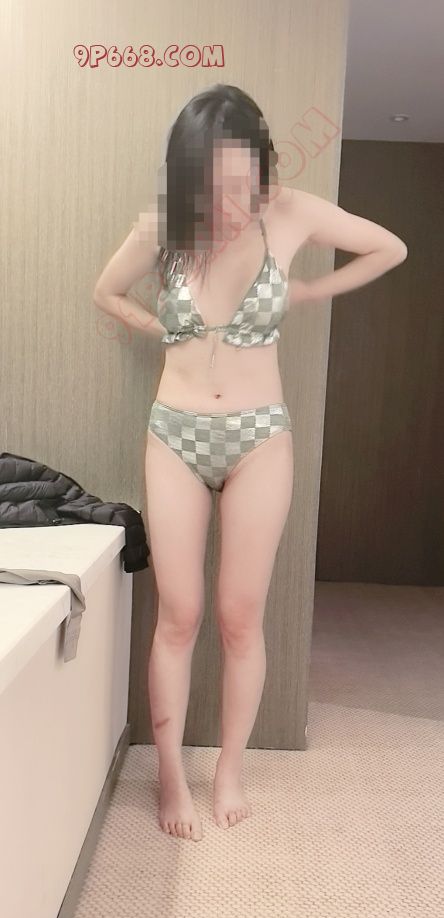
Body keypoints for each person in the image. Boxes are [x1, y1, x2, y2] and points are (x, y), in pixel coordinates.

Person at [93, 83, 408, 843]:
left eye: (244, 181)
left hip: (260, 437)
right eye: (214, 184)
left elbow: (389, 247)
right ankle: (171, 775)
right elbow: (107, 291)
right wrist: (155, 329)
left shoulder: (290, 212)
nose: (231, 200)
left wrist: (312, 290)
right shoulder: (164, 224)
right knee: (180, 615)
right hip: (175, 434)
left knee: (240, 616)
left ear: (263, 167)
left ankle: (229, 769)